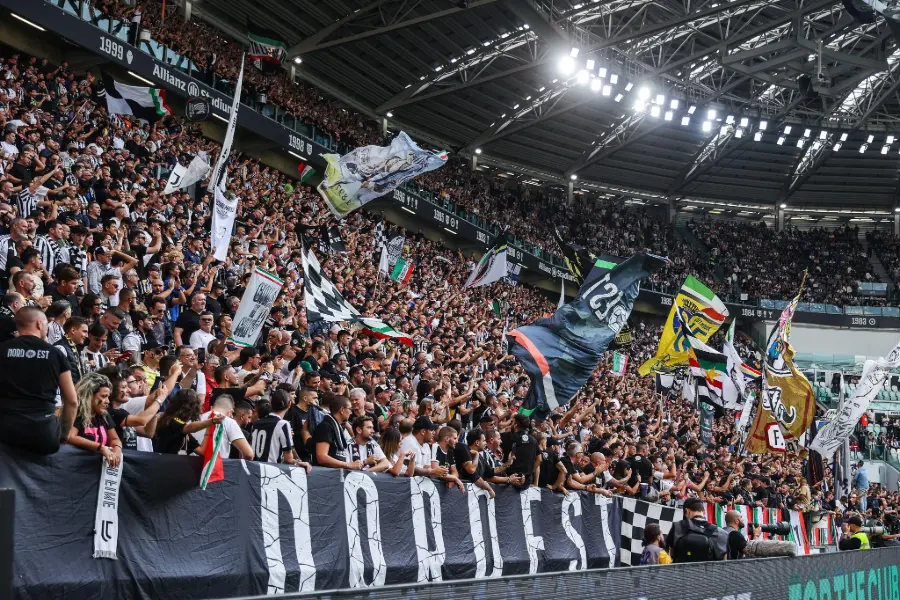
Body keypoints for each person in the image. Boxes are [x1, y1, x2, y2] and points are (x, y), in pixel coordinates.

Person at [0, 307, 77, 454]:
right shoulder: (55, 354)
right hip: (44, 433)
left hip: (6, 430)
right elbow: (72, 400)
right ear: (39, 324)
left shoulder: (2, 349)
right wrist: (64, 434)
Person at [65, 373, 123, 467]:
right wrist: (100, 447)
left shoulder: (104, 415)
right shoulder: (77, 413)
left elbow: (114, 439)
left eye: (108, 397)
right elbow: (70, 436)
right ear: (89, 395)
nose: (108, 401)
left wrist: (117, 449)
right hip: (75, 467)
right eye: (104, 396)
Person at [192, 393, 253, 460]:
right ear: (231, 411)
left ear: (212, 407)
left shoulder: (194, 420)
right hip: (217, 467)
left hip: (190, 466)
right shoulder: (229, 422)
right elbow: (248, 454)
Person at [665, 497, 727, 563]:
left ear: (687, 511)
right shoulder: (720, 532)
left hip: (681, 571)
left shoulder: (677, 526)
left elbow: (667, 551)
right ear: (704, 511)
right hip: (707, 572)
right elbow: (725, 559)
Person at [312, 394, 356, 469]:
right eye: (350, 409)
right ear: (342, 410)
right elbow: (321, 457)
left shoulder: (338, 427)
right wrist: (348, 465)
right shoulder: (325, 427)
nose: (351, 412)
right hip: (324, 475)